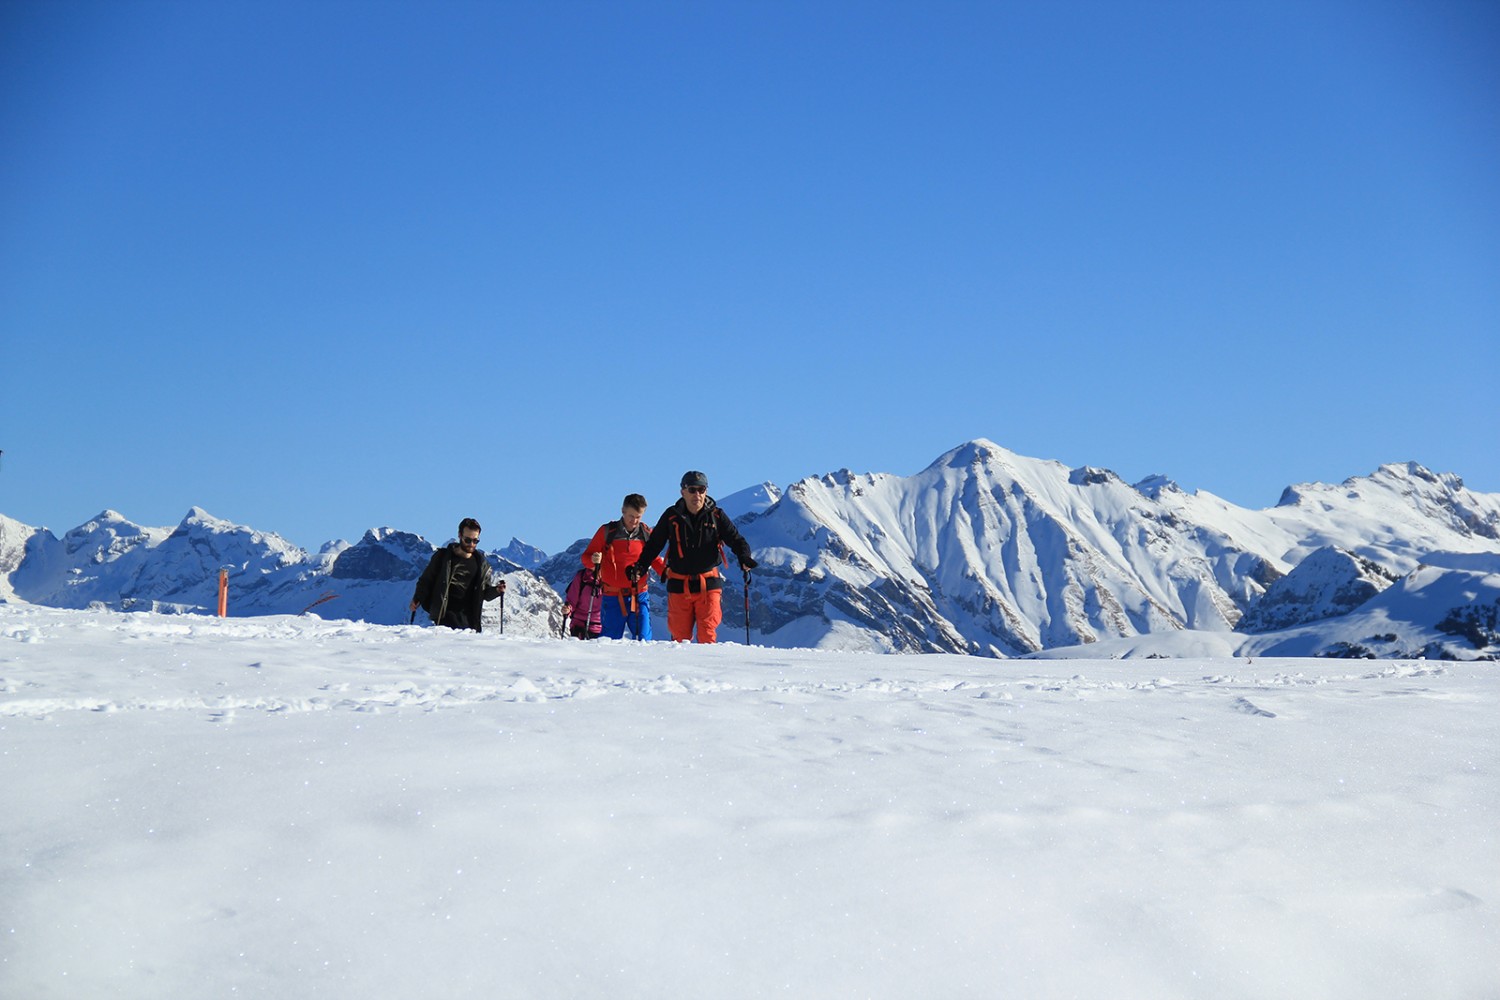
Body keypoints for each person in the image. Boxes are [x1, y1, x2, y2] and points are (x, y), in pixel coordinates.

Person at [628, 471, 757, 643]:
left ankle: (708, 670)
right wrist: (641, 567)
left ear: (706, 491)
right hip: (679, 584)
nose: (697, 494)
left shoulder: (717, 515)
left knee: (707, 635)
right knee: (679, 639)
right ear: (683, 492)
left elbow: (736, 540)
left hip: (708, 584)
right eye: (692, 489)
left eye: (701, 489)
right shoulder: (671, 516)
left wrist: (744, 558)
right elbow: (654, 545)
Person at [581, 493, 664, 640]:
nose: (635, 521)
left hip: (639, 594)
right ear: (623, 511)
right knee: (609, 640)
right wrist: (593, 560)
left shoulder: (645, 533)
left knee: (644, 639)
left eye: (639, 517)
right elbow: (586, 558)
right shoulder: (607, 532)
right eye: (631, 516)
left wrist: (669, 574)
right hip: (613, 596)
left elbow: (655, 560)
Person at [410, 517, 507, 631]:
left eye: (475, 541)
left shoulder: (482, 565)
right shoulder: (443, 558)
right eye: (468, 540)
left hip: (471, 622)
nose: (471, 544)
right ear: (460, 535)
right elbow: (426, 580)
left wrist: (497, 590)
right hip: (445, 617)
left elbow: (484, 593)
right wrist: (417, 598)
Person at [562, 564, 604, 639]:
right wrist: (568, 609)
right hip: (580, 626)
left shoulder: (611, 578)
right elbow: (571, 599)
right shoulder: (581, 577)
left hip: (602, 628)